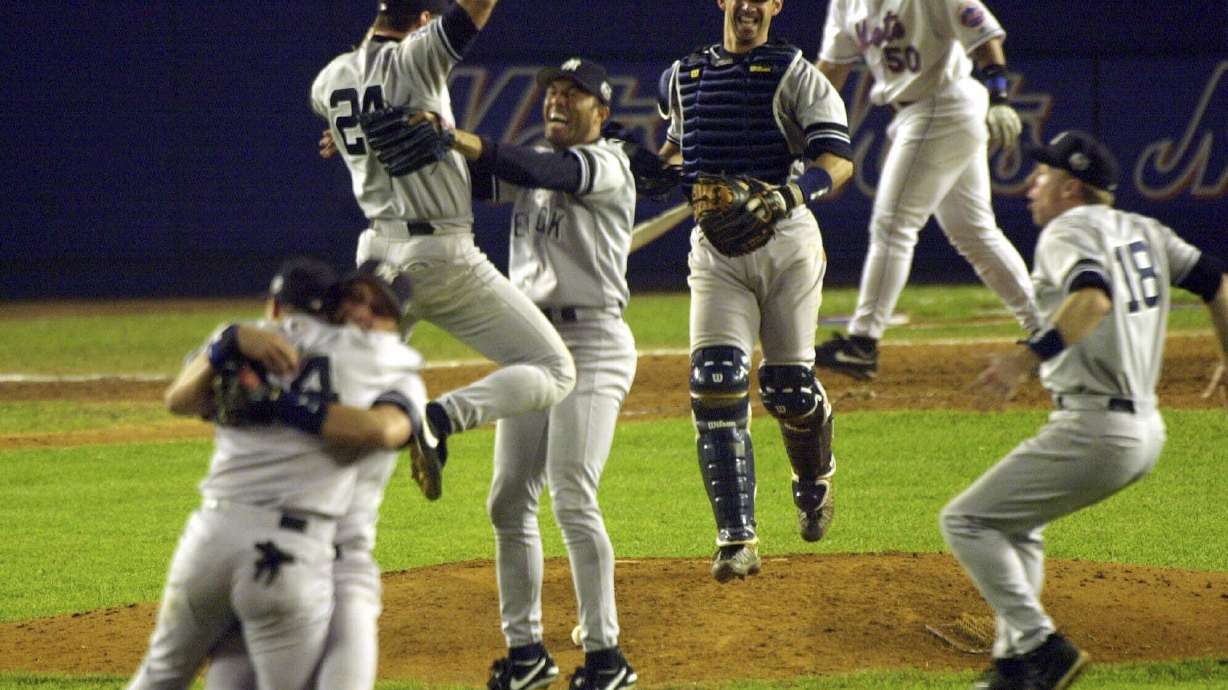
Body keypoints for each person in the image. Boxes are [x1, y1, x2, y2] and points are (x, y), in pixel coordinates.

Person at [939, 130, 1228, 690]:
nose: (1031, 185)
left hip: (1095, 426)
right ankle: (1014, 667)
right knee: (1017, 526)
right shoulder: (1146, 229)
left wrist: (1024, 362)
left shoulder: (1067, 228)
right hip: (1143, 428)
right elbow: (1215, 280)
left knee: (965, 520)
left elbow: (1092, 298)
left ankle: (1043, 647)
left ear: (1071, 187)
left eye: (1043, 175)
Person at [310, 0, 577, 501]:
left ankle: (296, 524)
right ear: (424, 23)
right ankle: (438, 416)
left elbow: (344, 112)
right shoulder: (417, 57)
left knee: (349, 406)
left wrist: (343, 138)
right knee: (554, 370)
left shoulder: (328, 81)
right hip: (441, 256)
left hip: (376, 260)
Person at [127, 257, 431, 690]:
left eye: (379, 310)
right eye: (354, 298)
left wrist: (268, 394)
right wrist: (232, 341)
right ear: (330, 304)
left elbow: (383, 428)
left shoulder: (259, 351)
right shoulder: (385, 364)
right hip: (295, 550)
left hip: (304, 553)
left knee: (166, 675)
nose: (362, 314)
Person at [442, 58, 639, 690]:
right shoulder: (531, 163)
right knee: (507, 500)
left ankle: (607, 657)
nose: (556, 100)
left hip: (594, 343)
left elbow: (537, 169)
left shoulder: (607, 163)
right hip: (535, 342)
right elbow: (461, 181)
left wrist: (460, 136)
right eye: (552, 92)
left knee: (572, 493)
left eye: (572, 94)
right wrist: (386, 149)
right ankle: (526, 652)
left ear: (601, 113)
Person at [657, 0, 855, 582]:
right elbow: (674, 154)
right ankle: (736, 540)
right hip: (716, 249)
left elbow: (837, 161)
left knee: (788, 388)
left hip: (787, 241)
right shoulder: (683, 76)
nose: (748, 5)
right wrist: (642, 167)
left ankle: (814, 477)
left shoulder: (796, 73)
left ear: (776, 6)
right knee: (714, 383)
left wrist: (788, 196)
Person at [813, 0, 1041, 381]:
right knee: (974, 232)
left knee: (893, 225)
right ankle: (1048, 331)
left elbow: (983, 34)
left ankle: (862, 343)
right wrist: (796, 114)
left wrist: (1000, 96)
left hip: (944, 103)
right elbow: (831, 70)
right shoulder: (846, 3)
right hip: (916, 111)